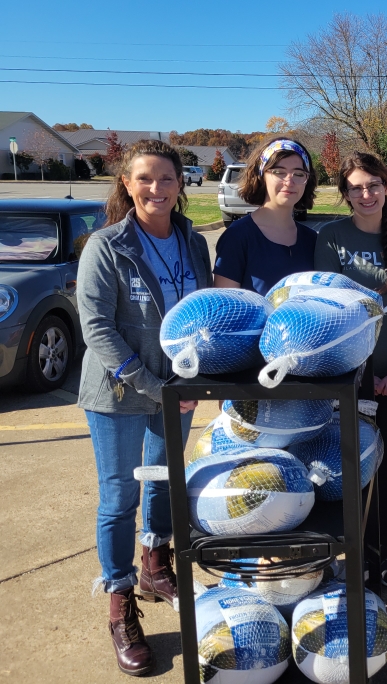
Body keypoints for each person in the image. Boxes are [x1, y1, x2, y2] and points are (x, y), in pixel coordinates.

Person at [77, 140, 212, 676]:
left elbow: (205, 311)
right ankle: (119, 599)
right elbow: (96, 328)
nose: (156, 189)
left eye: (166, 180)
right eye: (145, 180)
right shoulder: (106, 246)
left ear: (181, 185)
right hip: (120, 394)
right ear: (127, 185)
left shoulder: (193, 243)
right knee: (119, 496)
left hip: (177, 390)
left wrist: (200, 374)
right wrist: (150, 384)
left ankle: (155, 564)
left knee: (163, 481)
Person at [314, 151, 387, 588]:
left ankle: (383, 551)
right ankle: (354, 553)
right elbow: (329, 310)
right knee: (353, 467)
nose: (366, 193)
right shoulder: (331, 237)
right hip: (349, 377)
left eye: (374, 185)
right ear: (345, 193)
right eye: (357, 187)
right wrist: (357, 375)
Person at [213, 136, 318, 295]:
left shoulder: (313, 240)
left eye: (298, 173)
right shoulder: (237, 237)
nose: (289, 181)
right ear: (261, 176)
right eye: (279, 172)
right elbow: (225, 309)